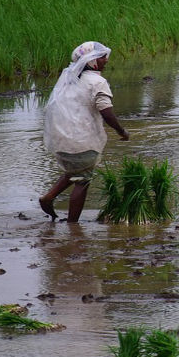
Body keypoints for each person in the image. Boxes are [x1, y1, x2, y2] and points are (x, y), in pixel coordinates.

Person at [39, 41, 129, 222]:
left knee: (76, 170)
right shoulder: (97, 82)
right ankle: (73, 226)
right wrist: (121, 131)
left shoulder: (68, 79)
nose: (106, 61)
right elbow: (107, 113)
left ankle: (49, 197)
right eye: (102, 57)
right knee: (82, 181)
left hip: (61, 139)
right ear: (91, 61)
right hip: (81, 140)